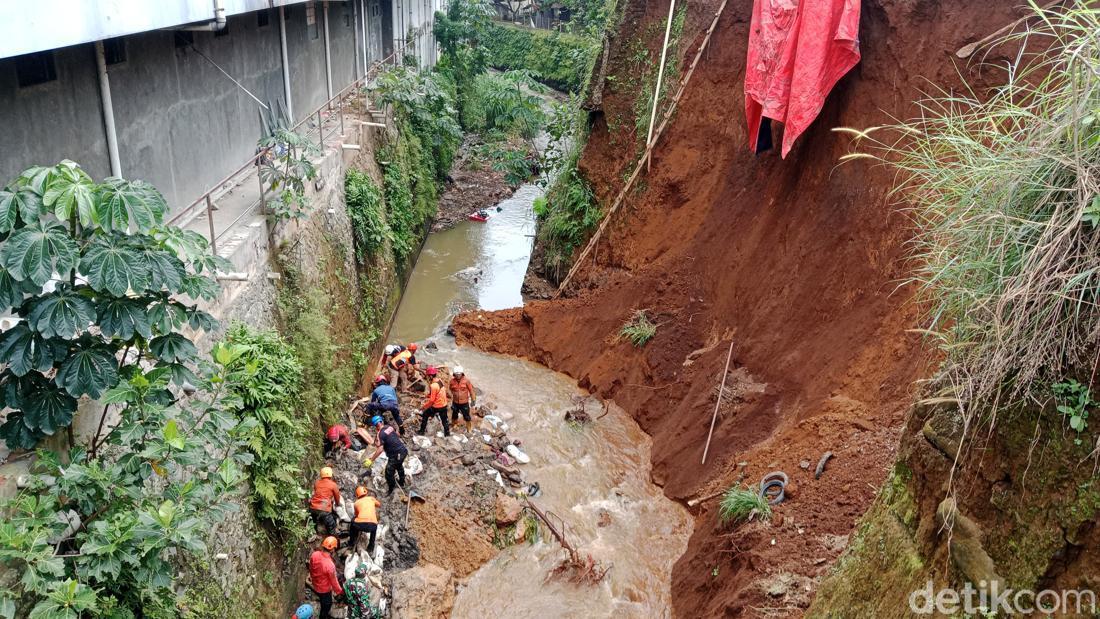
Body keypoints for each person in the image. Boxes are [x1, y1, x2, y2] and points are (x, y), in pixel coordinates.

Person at [366, 415, 407, 496]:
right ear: (381, 421)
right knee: (399, 466)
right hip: (403, 451)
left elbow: (380, 449)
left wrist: (371, 459)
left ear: (376, 426)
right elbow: (397, 435)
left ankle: (391, 489)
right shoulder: (389, 427)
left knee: (388, 472)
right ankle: (402, 483)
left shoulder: (381, 434)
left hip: (396, 454)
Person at [309, 536, 343, 619]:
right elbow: (334, 582)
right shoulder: (330, 565)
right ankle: (323, 616)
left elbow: (311, 567)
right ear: (333, 549)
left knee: (322, 599)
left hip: (315, 582)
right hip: (324, 589)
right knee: (327, 604)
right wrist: (340, 592)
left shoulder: (314, 554)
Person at [417, 366, 450, 437]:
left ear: (431, 376)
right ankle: (447, 434)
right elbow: (439, 392)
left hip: (437, 406)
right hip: (444, 404)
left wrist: (423, 407)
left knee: (425, 414)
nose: (427, 377)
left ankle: (421, 431)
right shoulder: (440, 381)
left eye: (428, 376)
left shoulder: (433, 386)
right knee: (445, 420)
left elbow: (432, 401)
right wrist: (428, 395)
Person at [308, 467, 341, 534]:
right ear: (330, 474)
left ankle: (315, 532)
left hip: (313, 507)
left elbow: (316, 493)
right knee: (331, 525)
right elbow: (337, 496)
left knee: (313, 522)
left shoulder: (317, 483)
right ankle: (331, 537)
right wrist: (337, 504)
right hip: (324, 509)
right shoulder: (333, 485)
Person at [350, 486, 381, 553]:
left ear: (357, 495)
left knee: (353, 520)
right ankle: (371, 547)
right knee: (375, 527)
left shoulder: (356, 503)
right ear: (366, 492)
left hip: (360, 525)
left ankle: (351, 541)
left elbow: (356, 515)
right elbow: (379, 504)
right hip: (372, 526)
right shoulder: (371, 499)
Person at [448, 365, 476, 433]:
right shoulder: (452, 381)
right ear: (454, 374)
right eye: (456, 374)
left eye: (459, 374)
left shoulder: (466, 381)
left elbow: (471, 390)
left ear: (462, 374)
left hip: (464, 403)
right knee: (454, 415)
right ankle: (454, 425)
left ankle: (469, 429)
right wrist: (453, 395)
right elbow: (450, 389)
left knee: (467, 416)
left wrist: (473, 400)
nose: (458, 375)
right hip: (455, 402)